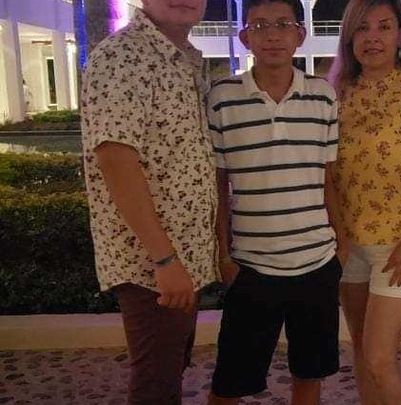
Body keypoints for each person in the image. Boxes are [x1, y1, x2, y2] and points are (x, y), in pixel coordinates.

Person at [80, 0, 217, 403]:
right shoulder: (122, 56)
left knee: (168, 371)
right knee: (156, 385)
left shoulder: (182, 59)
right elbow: (115, 159)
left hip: (181, 259)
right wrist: (165, 260)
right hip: (152, 265)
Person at [205, 1, 342, 404]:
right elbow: (218, 184)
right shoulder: (223, 97)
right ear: (244, 37)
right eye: (260, 25)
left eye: (283, 24)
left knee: (309, 375)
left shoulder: (322, 95)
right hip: (251, 266)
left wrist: (342, 246)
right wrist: (224, 255)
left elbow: (329, 177)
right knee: (229, 382)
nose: (272, 35)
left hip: (317, 263)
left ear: (300, 34)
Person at [328, 0, 401, 403]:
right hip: (349, 245)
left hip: (400, 244)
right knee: (362, 354)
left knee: (380, 357)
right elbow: (328, 173)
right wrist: (339, 237)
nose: (373, 37)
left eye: (383, 27)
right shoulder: (336, 94)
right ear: (349, 38)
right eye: (362, 28)